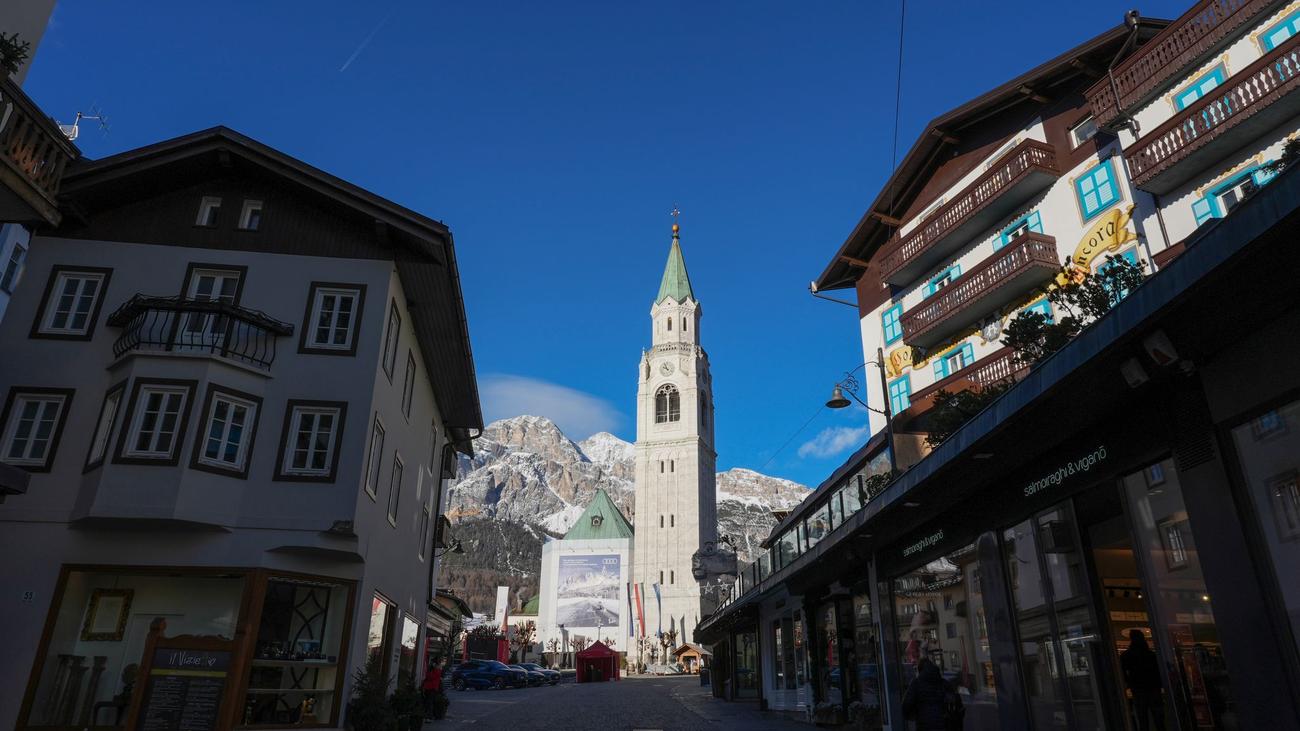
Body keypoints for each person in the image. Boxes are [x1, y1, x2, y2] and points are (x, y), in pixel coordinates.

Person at [1121, 630, 1165, 731]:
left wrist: (1128, 683)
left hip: (1138, 689)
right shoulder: (1151, 654)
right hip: (1153, 687)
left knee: (1142, 718)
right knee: (1158, 718)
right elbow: (1158, 671)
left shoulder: (1127, 655)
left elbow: (1122, 672)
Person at [902, 658, 963, 731]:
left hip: (924, 726)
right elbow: (956, 702)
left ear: (920, 670)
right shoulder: (943, 683)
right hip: (943, 725)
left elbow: (906, 705)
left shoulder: (916, 684)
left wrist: (914, 715)